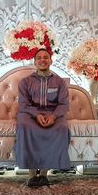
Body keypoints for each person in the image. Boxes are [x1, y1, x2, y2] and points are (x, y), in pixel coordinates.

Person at [15, 48, 70, 187]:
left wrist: (54, 116)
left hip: (53, 113)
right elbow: (23, 104)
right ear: (34, 62)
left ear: (51, 61)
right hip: (30, 113)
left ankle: (44, 174)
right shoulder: (25, 82)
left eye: (46, 57)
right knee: (24, 126)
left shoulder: (60, 82)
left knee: (62, 128)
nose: (42, 60)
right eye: (39, 58)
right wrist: (37, 114)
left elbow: (63, 104)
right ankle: (32, 175)